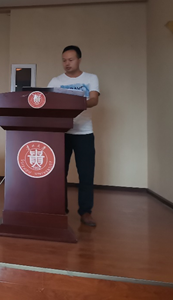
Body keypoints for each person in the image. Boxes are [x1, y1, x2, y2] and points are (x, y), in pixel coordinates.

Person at [48, 46, 100, 227]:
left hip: (84, 133)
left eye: (71, 60)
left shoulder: (91, 78)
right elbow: (48, 102)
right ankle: (60, 209)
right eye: (64, 60)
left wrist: (73, 104)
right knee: (58, 174)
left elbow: (93, 100)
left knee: (86, 174)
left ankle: (86, 212)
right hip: (61, 133)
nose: (67, 63)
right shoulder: (56, 81)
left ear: (79, 60)